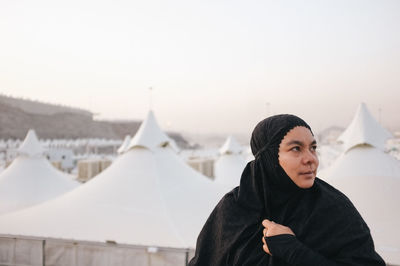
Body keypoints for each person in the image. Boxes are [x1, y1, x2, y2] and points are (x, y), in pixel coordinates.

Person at [189, 114, 385, 266]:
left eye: (313, 147)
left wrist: (294, 251)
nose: (311, 159)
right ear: (269, 158)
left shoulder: (334, 210)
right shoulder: (234, 208)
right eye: (296, 148)